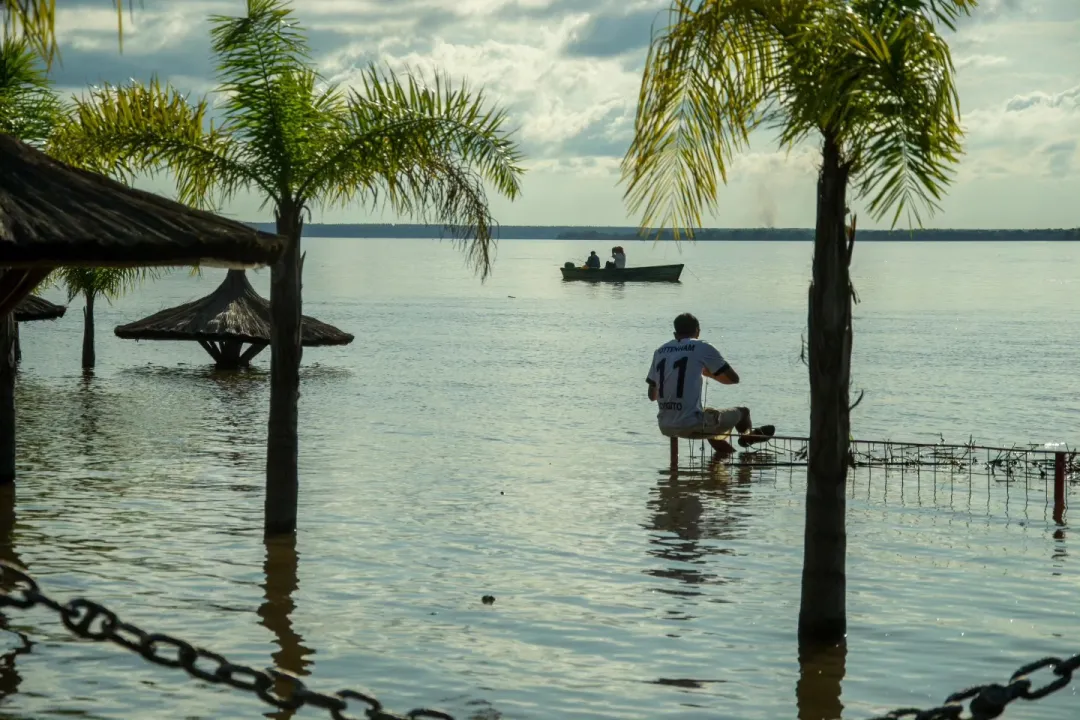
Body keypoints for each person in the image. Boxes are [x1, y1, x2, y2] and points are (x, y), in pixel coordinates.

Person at [646, 312, 774, 453]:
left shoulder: (660, 352)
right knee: (744, 412)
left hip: (665, 425)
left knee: (709, 417)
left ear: (675, 334)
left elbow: (652, 396)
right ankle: (748, 438)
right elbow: (733, 379)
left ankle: (727, 455)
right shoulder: (702, 347)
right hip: (691, 424)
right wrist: (709, 374)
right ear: (698, 331)